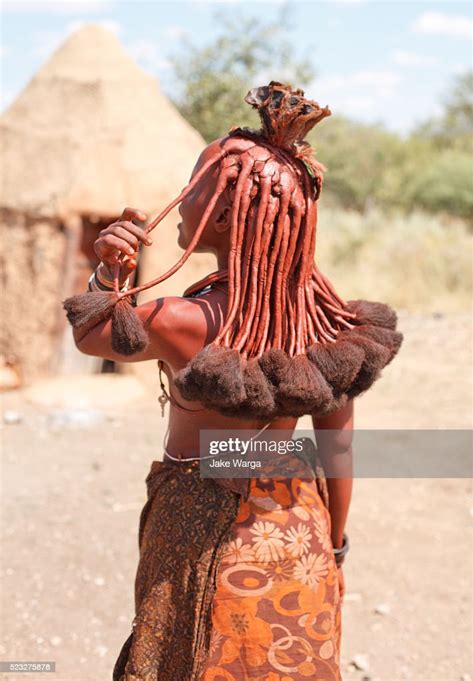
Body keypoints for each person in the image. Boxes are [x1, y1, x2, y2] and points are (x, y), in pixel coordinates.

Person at [64, 82, 403, 680]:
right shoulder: (328, 323)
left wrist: (105, 274)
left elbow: (92, 335)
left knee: (186, 658)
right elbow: (337, 446)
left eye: (196, 185)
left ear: (222, 213)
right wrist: (337, 542)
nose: (184, 196)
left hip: (198, 534)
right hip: (300, 534)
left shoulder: (180, 320)